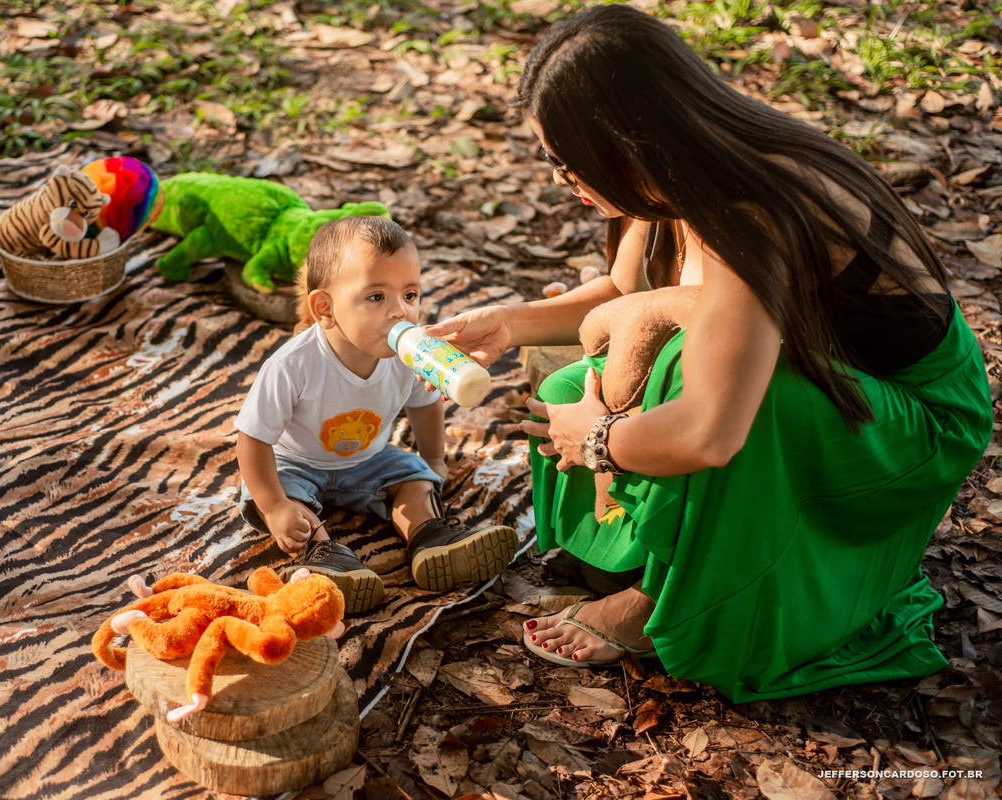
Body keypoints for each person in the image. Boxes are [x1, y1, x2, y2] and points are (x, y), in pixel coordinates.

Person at [425, 4, 992, 701]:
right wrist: (512, 324)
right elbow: (623, 290)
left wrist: (597, 437)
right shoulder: (672, 174)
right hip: (829, 380)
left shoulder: (751, 209)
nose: (561, 177)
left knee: (703, 383)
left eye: (566, 159)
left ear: (623, 142)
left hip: (914, 420)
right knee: (582, 371)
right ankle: (654, 556)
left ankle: (663, 601)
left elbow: (712, 430)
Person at [235, 216, 519, 614]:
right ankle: (326, 558)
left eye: (410, 294)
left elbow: (425, 403)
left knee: (415, 478)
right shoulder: (292, 365)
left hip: (370, 459)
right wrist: (275, 505)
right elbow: (252, 438)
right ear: (325, 309)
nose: (399, 311)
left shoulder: (408, 356)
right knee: (274, 498)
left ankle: (430, 538)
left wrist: (433, 458)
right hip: (294, 461)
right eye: (376, 297)